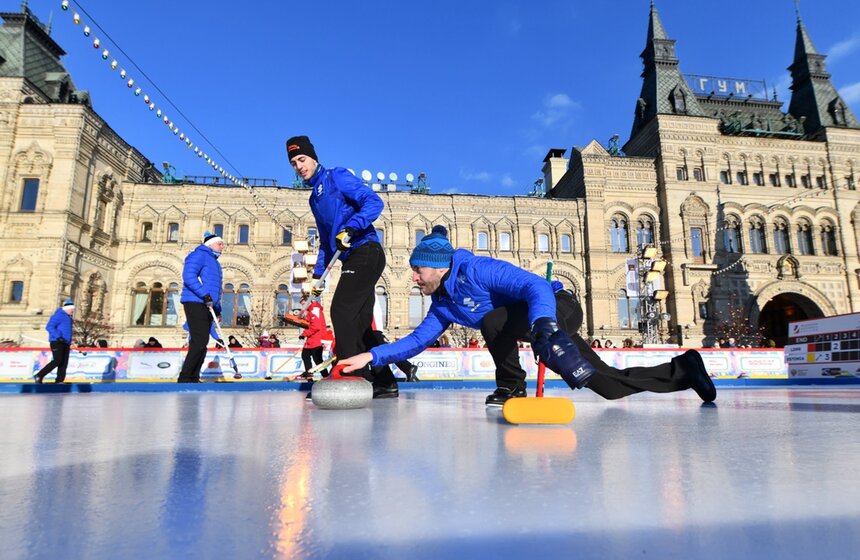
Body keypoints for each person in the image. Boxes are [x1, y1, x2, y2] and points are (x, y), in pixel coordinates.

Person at [339, 225, 716, 406]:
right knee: (607, 385)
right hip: (536, 325)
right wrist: (372, 356)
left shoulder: (477, 269)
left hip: (557, 309)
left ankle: (511, 385)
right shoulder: (443, 304)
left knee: (491, 321)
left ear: (436, 267)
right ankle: (685, 369)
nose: (413, 277)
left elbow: (535, 287)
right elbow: (416, 342)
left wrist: (543, 325)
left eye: (417, 270)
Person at [287, 135, 398, 398]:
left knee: (341, 309)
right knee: (360, 324)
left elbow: (374, 202)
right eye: (293, 163)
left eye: (302, 159)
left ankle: (350, 375)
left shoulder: (336, 177)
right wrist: (317, 278)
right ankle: (384, 381)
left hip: (366, 250)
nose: (299, 166)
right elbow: (327, 242)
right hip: (352, 257)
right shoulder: (314, 199)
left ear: (313, 158)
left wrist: (351, 227)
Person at [177, 231, 223, 383]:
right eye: (220, 243)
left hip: (206, 303)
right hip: (195, 301)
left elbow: (214, 287)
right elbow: (189, 276)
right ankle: (185, 377)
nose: (222, 247)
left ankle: (193, 376)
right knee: (199, 340)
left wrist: (217, 309)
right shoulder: (199, 255)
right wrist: (205, 295)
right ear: (210, 244)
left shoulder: (214, 261)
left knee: (202, 342)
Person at [34, 299, 75, 384]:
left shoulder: (69, 318)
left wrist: (71, 341)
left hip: (65, 342)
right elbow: (49, 327)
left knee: (64, 362)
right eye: (72, 309)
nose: (73, 311)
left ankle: (59, 380)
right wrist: (58, 337)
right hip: (57, 342)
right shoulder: (59, 315)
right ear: (66, 308)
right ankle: (39, 375)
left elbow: (68, 331)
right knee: (58, 360)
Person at [299, 296, 330, 379]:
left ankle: (326, 377)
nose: (303, 306)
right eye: (302, 305)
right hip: (311, 340)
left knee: (317, 359)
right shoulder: (311, 310)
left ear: (309, 302)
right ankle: (309, 376)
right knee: (305, 356)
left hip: (316, 339)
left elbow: (316, 326)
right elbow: (311, 321)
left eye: (304, 304)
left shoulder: (314, 309)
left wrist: (304, 334)